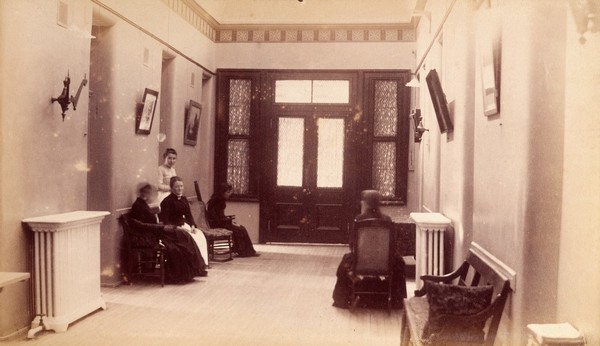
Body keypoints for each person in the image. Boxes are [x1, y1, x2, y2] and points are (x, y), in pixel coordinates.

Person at [331, 190, 406, 309]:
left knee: (345, 262)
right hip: (384, 262)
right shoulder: (387, 220)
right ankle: (395, 300)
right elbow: (393, 246)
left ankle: (345, 298)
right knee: (400, 263)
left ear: (365, 203)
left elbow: (352, 245)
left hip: (362, 261)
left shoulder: (359, 220)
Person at [129, 183, 207, 283]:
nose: (150, 195)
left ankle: (195, 269)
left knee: (184, 237)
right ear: (142, 193)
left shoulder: (142, 204)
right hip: (147, 236)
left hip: (154, 232)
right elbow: (140, 226)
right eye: (147, 192)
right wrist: (163, 227)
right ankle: (180, 275)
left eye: (149, 192)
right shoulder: (138, 206)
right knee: (178, 246)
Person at [160, 176, 210, 263]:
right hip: (174, 229)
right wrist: (176, 228)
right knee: (191, 238)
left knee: (200, 235)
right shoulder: (166, 202)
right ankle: (194, 264)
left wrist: (193, 226)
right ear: (172, 188)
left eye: (181, 186)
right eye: (177, 186)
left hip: (184, 225)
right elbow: (166, 221)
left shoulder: (184, 199)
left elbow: (188, 215)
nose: (180, 188)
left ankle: (202, 263)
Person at [207, 183, 258, 257]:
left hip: (220, 222)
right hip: (216, 223)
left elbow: (220, 216)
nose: (229, 194)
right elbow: (216, 218)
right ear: (222, 192)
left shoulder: (219, 199)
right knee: (240, 229)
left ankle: (245, 250)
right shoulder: (216, 201)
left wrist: (229, 221)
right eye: (228, 192)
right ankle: (244, 252)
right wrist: (229, 221)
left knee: (241, 228)